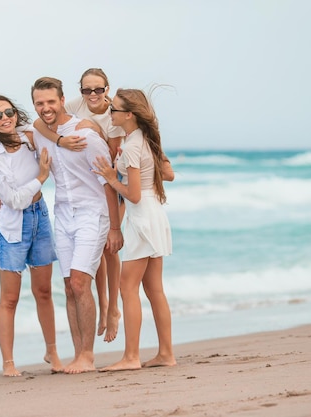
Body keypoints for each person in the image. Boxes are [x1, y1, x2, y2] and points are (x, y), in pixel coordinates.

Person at [30, 76, 123, 374]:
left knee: (81, 282)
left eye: (50, 102)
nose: (46, 108)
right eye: (39, 103)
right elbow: (18, 147)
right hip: (63, 214)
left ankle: (87, 355)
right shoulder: (41, 133)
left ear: (62, 100)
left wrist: (115, 227)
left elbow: (108, 183)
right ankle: (77, 354)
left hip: (92, 213)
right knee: (69, 286)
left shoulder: (86, 134)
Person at [93, 88, 177, 371]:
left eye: (114, 109)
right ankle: (166, 354)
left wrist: (110, 176)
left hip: (142, 218)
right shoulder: (145, 140)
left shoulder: (132, 146)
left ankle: (131, 357)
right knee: (155, 290)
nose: (110, 112)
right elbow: (169, 174)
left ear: (128, 115)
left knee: (126, 287)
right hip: (156, 215)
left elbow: (134, 194)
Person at [0, 94, 63, 377]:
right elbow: (14, 201)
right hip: (12, 226)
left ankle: (52, 351)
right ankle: (8, 364)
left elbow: (56, 132)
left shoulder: (32, 137)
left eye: (8, 112)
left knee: (44, 292)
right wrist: (40, 178)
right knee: (9, 299)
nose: (5, 118)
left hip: (40, 217)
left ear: (15, 113)